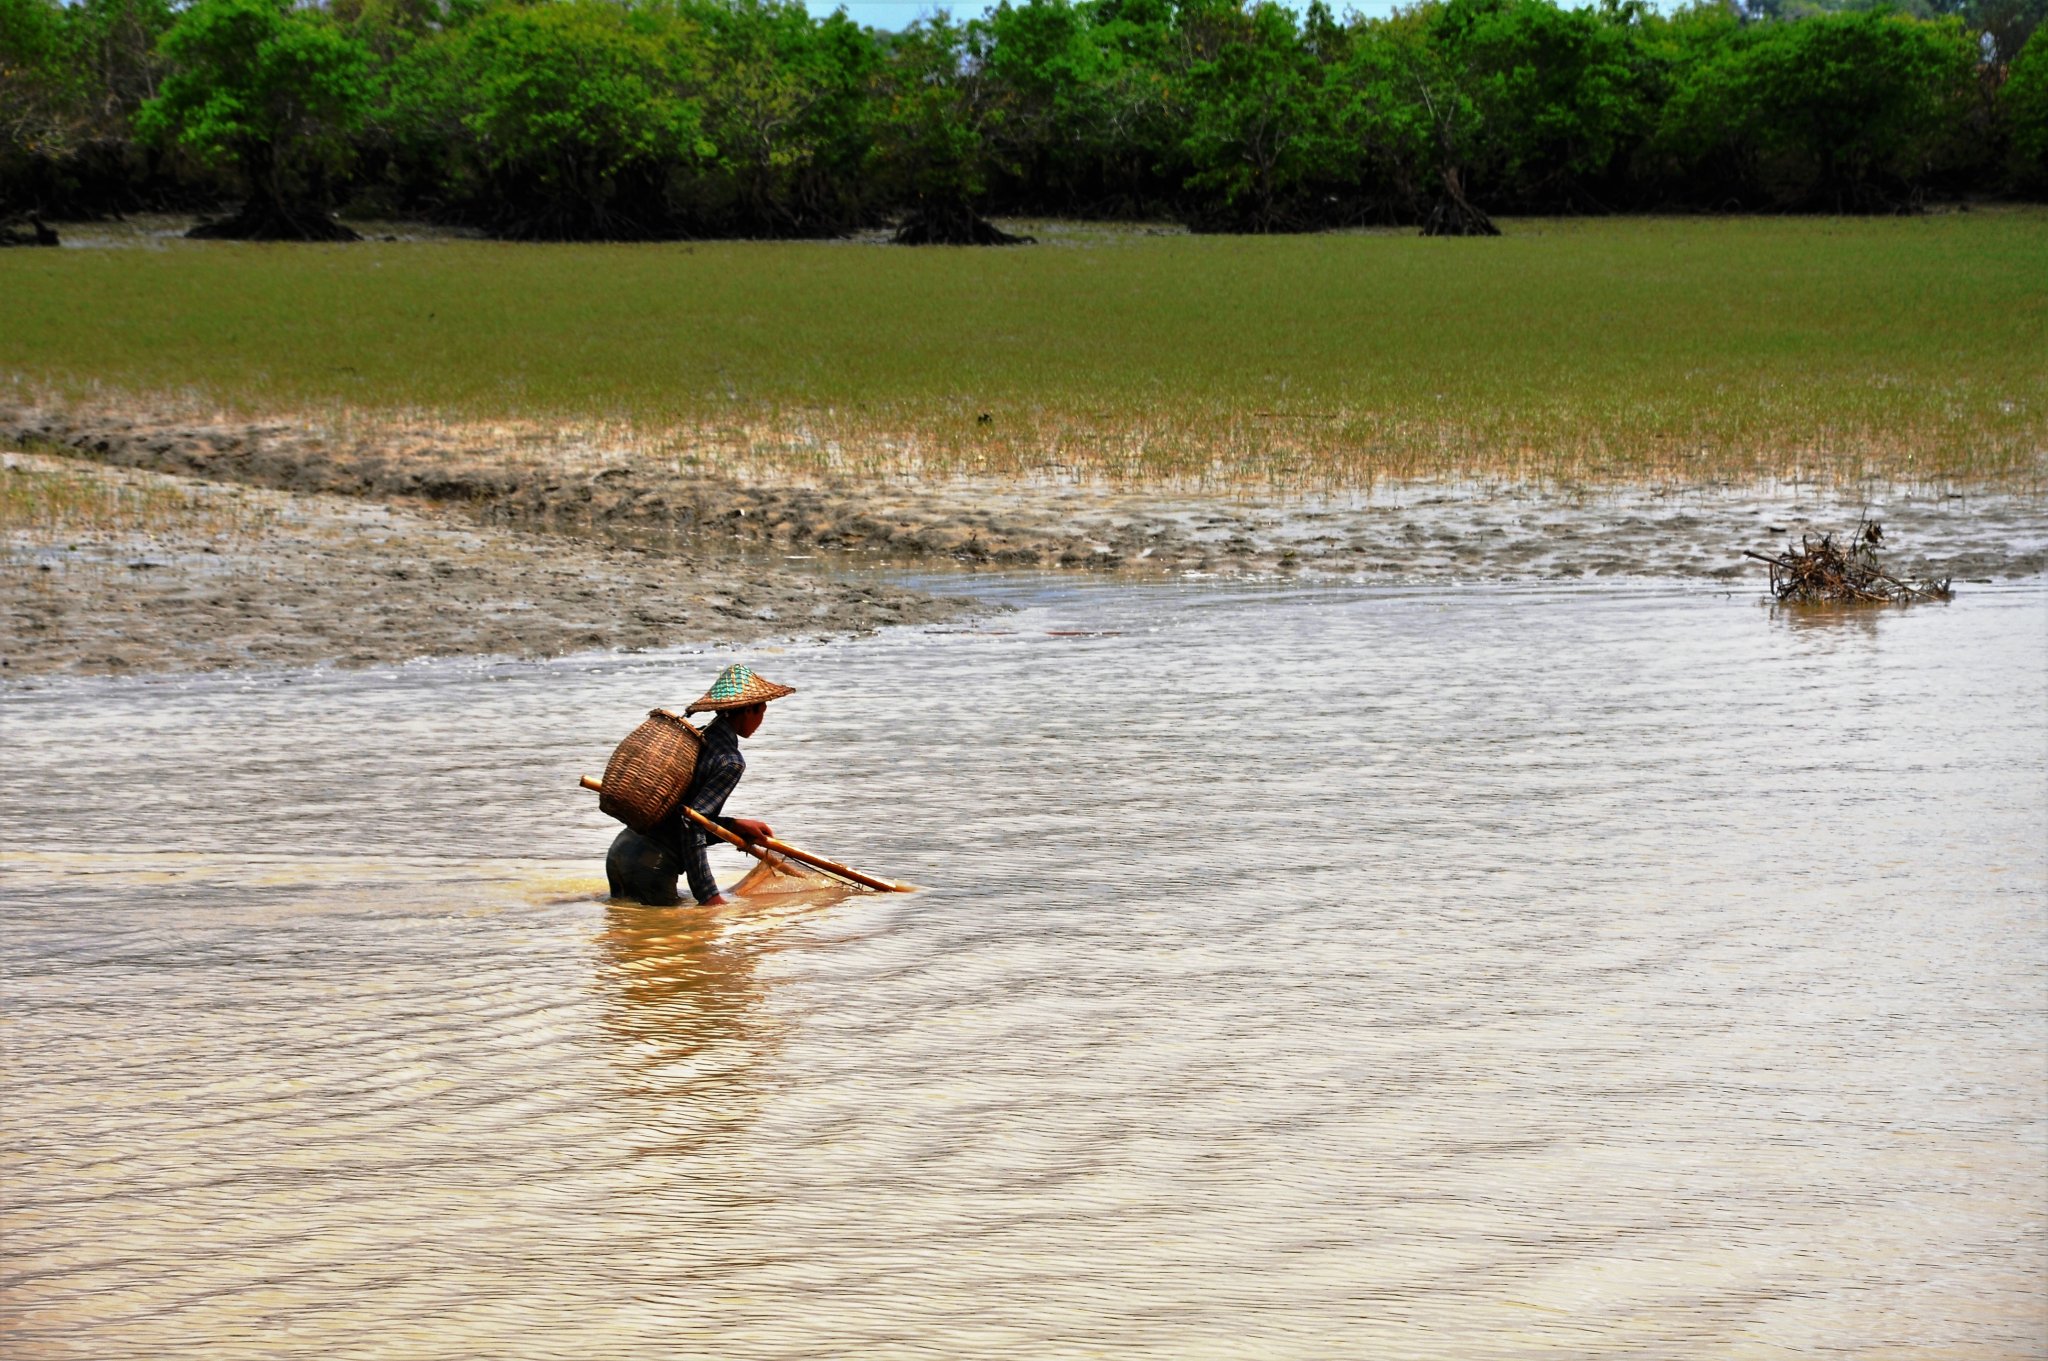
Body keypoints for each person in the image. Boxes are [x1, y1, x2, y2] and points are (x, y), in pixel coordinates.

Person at [604, 663, 794, 906]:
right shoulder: (730, 761)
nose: (761, 721)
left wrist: (735, 827)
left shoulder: (696, 739)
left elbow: (679, 814)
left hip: (621, 852)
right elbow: (691, 824)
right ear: (747, 711)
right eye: (762, 712)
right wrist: (708, 895)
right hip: (652, 864)